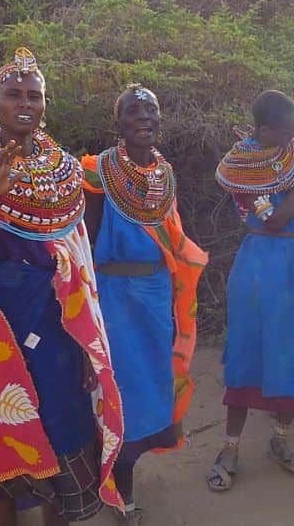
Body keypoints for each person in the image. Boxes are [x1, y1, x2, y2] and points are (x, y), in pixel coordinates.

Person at [0, 48, 124, 526]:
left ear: (45, 105)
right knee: (4, 460)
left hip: (58, 333)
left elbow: (79, 266)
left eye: (34, 95)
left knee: (61, 445)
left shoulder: (65, 172)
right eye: (13, 93)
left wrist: (86, 342)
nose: (24, 103)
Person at [81, 84, 207, 524]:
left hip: (155, 297)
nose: (145, 118)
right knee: (122, 395)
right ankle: (121, 492)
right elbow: (87, 244)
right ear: (118, 124)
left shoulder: (163, 173)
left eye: (152, 110)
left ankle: (120, 474)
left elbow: (172, 239)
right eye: (134, 111)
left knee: (153, 385)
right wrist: (88, 309)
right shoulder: (98, 173)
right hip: (114, 299)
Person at [207, 90, 294, 493]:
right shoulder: (243, 170)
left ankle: (279, 438)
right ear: (263, 130)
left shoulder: (291, 150)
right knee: (249, 354)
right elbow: (276, 220)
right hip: (262, 265)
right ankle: (230, 447)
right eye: (286, 129)